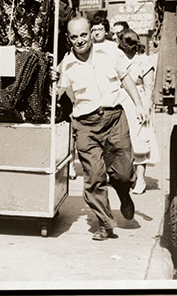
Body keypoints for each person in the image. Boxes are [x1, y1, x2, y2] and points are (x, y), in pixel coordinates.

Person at [53, 17, 148, 241]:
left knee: (123, 173)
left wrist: (139, 105)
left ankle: (124, 193)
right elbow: (58, 96)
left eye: (83, 35)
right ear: (69, 39)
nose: (79, 40)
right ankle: (105, 222)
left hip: (114, 119)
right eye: (74, 37)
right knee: (94, 177)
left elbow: (126, 79)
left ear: (91, 34)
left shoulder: (112, 53)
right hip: (85, 124)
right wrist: (52, 82)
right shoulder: (65, 65)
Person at [117, 28, 158, 194]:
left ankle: (141, 179)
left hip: (138, 103)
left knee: (140, 143)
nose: (126, 47)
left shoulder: (143, 61)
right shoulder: (117, 59)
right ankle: (127, 177)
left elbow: (148, 86)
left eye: (129, 44)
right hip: (120, 101)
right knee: (122, 142)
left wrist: (146, 108)